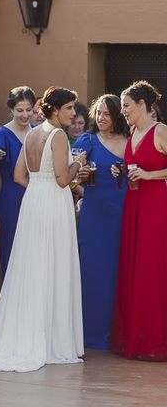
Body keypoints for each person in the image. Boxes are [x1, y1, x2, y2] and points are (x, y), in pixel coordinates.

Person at [0, 86, 85, 372]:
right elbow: (63, 180)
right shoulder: (58, 135)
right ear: (55, 109)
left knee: (31, 268)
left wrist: (41, 187)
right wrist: (78, 164)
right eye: (70, 108)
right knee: (52, 266)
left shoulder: (33, 134)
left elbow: (17, 176)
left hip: (33, 201)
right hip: (52, 204)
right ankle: (52, 340)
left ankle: (30, 332)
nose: (74, 114)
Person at [111, 80, 167, 361]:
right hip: (133, 204)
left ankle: (156, 340)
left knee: (151, 266)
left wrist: (149, 176)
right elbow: (134, 166)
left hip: (156, 205)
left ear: (142, 104)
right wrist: (119, 169)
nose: (123, 111)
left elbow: (155, 169)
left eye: (126, 105)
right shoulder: (133, 132)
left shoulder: (161, 131)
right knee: (134, 265)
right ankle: (138, 337)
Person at [73, 94, 128, 349]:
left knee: (117, 272)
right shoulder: (88, 140)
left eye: (106, 113)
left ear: (117, 115)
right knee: (91, 272)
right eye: (98, 113)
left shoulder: (130, 142)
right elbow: (71, 181)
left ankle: (114, 333)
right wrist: (80, 178)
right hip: (93, 216)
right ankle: (87, 333)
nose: (101, 118)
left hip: (122, 214)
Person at [0, 86, 36, 277]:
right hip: (10, 202)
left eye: (29, 110)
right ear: (11, 110)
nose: (25, 115)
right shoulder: (0, 135)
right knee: (12, 254)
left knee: (35, 255)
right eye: (20, 110)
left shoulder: (38, 133)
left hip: (36, 201)